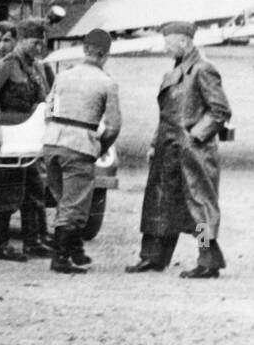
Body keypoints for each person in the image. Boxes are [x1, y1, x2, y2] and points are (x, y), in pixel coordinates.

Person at [126, 20, 232, 279]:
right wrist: (154, 143)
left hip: (193, 151)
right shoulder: (177, 71)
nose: (165, 48)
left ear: (184, 42)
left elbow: (220, 111)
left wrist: (195, 137)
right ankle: (153, 257)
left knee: (201, 208)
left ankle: (208, 260)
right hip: (168, 149)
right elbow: (167, 114)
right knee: (159, 204)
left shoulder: (203, 69)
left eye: (168, 42)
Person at [0, 17, 51, 262]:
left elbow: (42, 99)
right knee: (7, 189)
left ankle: (32, 241)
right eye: (36, 43)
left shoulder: (33, 67)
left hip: (29, 136)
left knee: (35, 189)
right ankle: (0, 243)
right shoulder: (7, 65)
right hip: (10, 136)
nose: (39, 48)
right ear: (23, 41)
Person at [43, 28, 121, 274]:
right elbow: (114, 126)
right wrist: (100, 147)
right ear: (106, 55)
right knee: (74, 205)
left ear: (84, 50)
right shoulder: (107, 83)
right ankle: (61, 258)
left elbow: (48, 109)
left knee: (63, 198)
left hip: (52, 143)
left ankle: (75, 250)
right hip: (80, 145)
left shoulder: (64, 76)